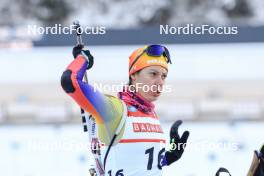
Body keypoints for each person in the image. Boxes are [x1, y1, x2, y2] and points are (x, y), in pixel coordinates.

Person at [61, 44, 190, 176]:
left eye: (163, 76)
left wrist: (171, 156)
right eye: (153, 74)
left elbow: (141, 164)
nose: (160, 82)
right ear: (134, 75)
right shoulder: (115, 109)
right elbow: (69, 81)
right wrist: (82, 59)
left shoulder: (151, 113)